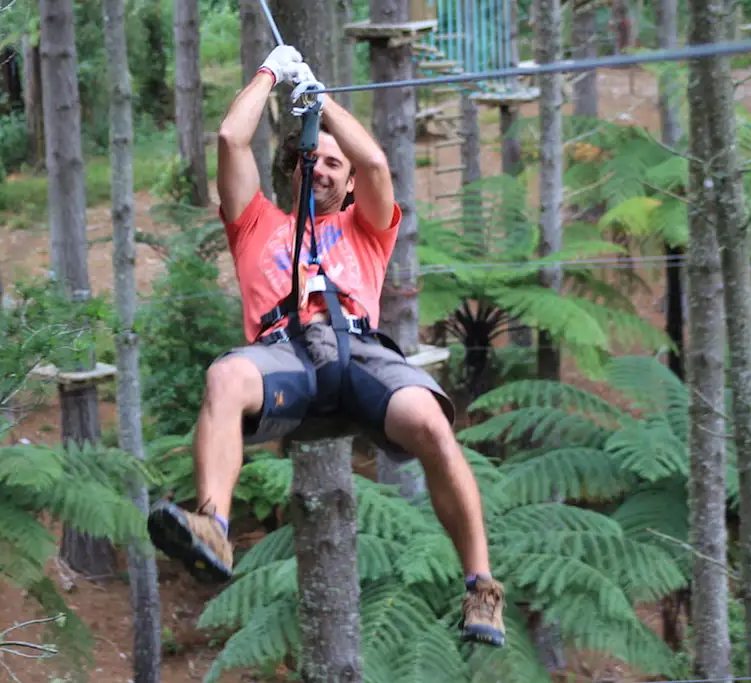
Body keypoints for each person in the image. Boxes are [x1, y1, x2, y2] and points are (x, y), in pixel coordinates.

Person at [146, 45, 506, 648]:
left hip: (359, 352)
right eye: (315, 163)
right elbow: (232, 140)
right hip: (283, 355)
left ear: (346, 181)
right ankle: (213, 527)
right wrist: (270, 72)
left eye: (335, 166)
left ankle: (481, 585)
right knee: (225, 379)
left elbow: (376, 163)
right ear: (294, 169)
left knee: (432, 421)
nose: (324, 170)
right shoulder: (257, 224)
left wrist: (324, 103)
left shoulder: (366, 227)